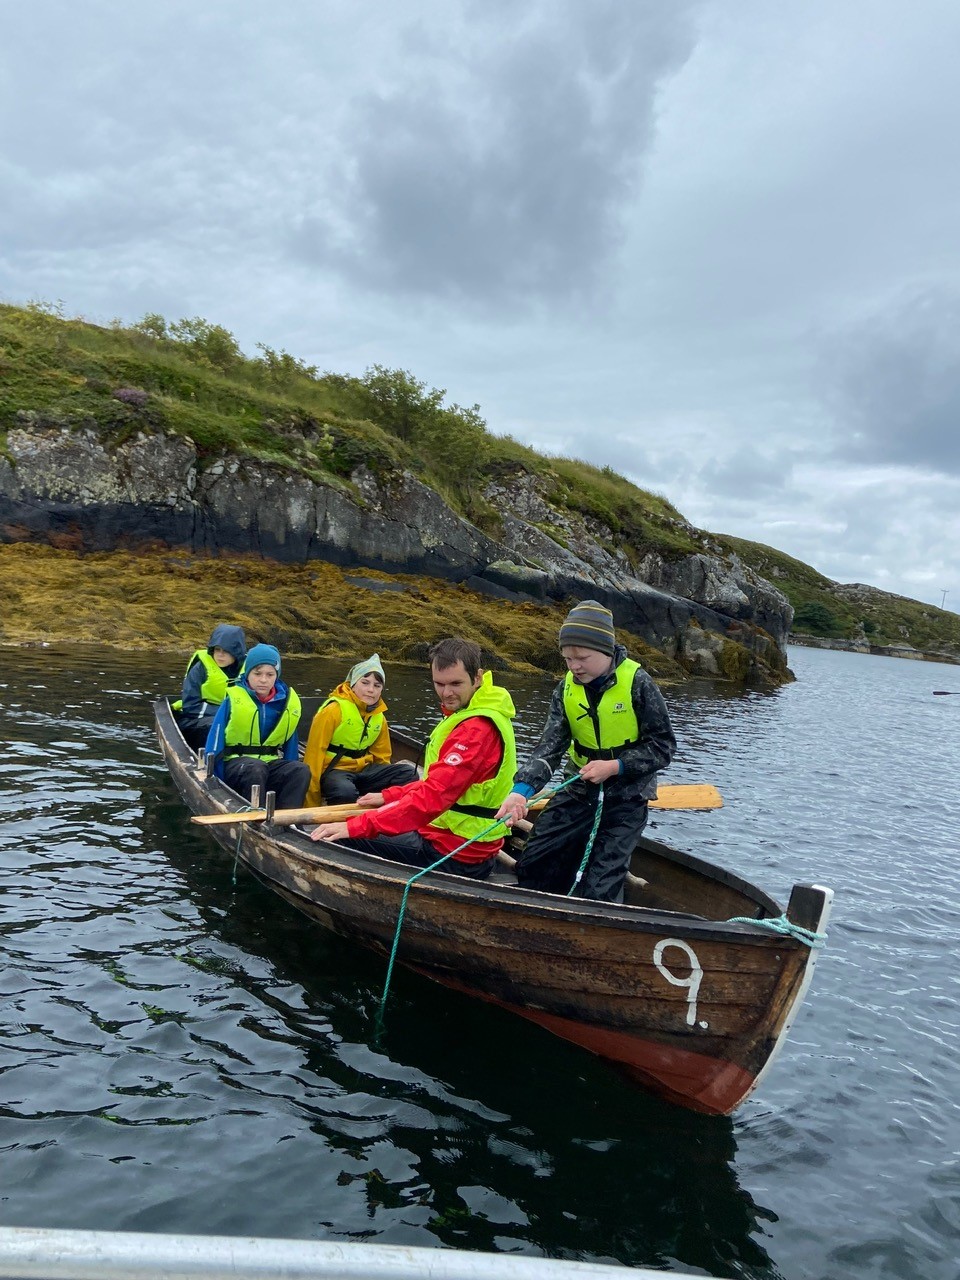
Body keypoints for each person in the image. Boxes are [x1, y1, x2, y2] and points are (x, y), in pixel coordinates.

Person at [495, 600, 676, 903]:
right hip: (578, 791)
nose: (574, 666)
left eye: (582, 658)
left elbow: (663, 747)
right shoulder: (565, 689)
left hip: (627, 800)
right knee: (535, 861)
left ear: (606, 651)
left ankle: (596, 913)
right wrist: (520, 791)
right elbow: (549, 748)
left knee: (601, 886)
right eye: (568, 658)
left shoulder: (639, 684)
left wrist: (616, 766)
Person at [309, 637, 517, 880]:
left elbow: (433, 797)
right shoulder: (480, 710)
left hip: (452, 854)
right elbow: (442, 785)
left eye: (455, 683)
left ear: (477, 677)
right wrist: (391, 796)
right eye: (439, 683)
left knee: (342, 836)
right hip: (461, 843)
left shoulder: (475, 730)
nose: (446, 693)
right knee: (366, 821)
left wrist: (353, 826)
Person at [203, 642, 310, 809]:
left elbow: (291, 744)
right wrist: (215, 779)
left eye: (270, 674)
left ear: (276, 675)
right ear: (248, 673)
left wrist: (289, 771)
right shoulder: (233, 699)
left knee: (300, 770)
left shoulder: (285, 703)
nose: (263, 680)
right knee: (255, 768)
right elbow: (215, 739)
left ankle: (288, 817)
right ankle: (256, 814)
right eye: (257, 673)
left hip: (267, 764)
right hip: (235, 765)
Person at [302, 653, 417, 807]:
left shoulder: (379, 718)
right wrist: (312, 801)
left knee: (409, 774)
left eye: (377, 685)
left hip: (364, 771)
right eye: (365, 683)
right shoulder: (333, 711)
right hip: (335, 771)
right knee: (345, 792)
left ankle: (383, 810)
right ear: (353, 684)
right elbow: (313, 756)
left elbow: (382, 758)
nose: (371, 690)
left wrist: (383, 785)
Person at [172, 623, 246, 750]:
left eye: (226, 650)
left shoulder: (250, 669)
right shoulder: (200, 668)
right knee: (217, 725)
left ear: (237, 652)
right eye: (217, 649)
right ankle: (210, 758)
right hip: (195, 719)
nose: (220, 654)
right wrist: (226, 713)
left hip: (236, 717)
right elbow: (190, 706)